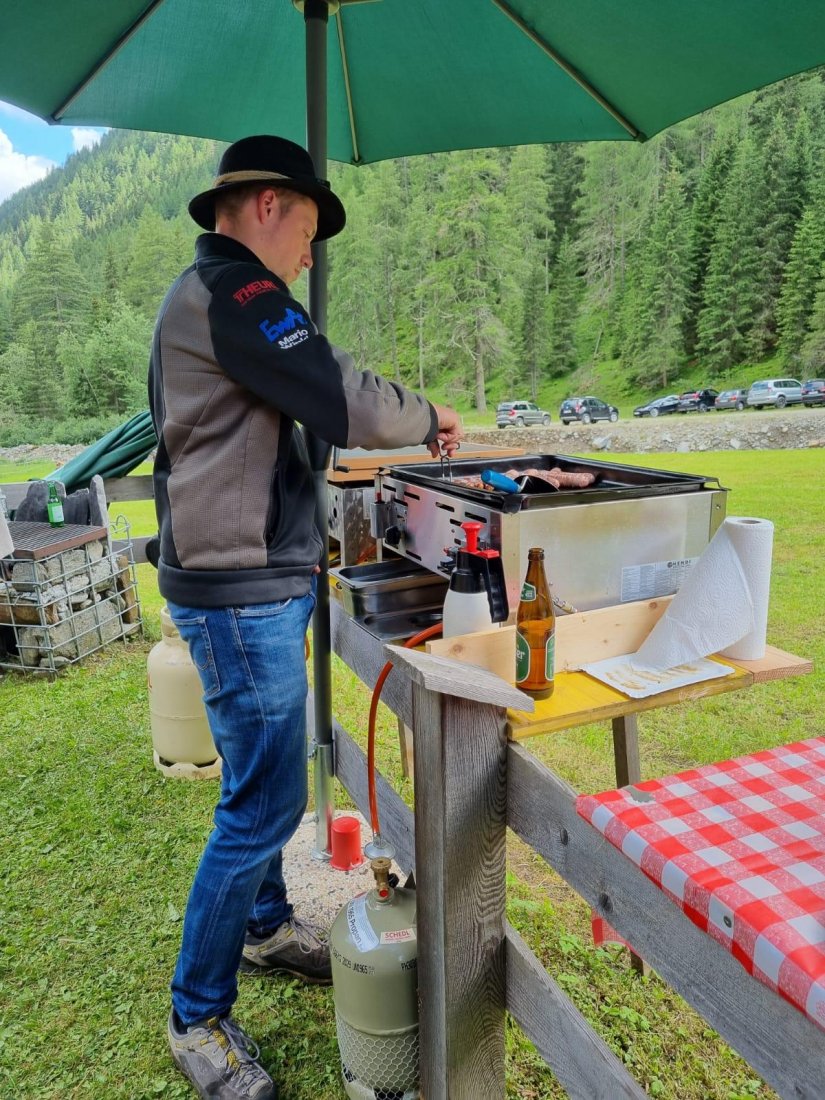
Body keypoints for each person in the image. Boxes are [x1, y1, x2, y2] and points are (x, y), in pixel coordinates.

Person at [148, 134, 463, 1100]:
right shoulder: (238, 291)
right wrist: (429, 417)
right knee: (264, 807)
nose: (306, 258)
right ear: (270, 205)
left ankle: (264, 926)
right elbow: (338, 395)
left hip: (242, 576)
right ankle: (196, 1017)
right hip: (240, 587)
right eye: (308, 234)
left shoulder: (212, 295)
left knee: (256, 782)